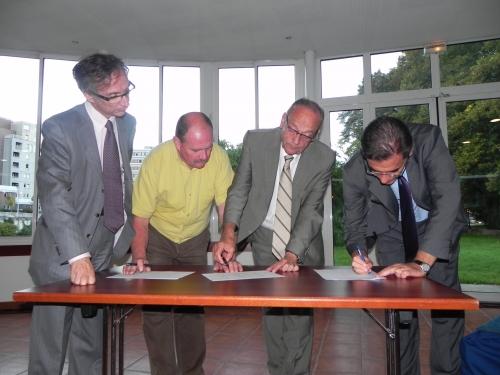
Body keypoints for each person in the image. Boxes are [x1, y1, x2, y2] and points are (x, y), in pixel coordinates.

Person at [28, 53, 136, 375]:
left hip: (104, 248)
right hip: (63, 255)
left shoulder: (127, 124)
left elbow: (117, 176)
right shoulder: (59, 127)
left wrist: (124, 234)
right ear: (88, 95)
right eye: (114, 96)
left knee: (90, 345)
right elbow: (54, 193)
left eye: (127, 89)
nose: (125, 102)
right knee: (50, 349)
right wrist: (78, 256)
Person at [213, 98, 336, 375]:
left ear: (316, 135)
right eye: (293, 130)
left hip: (300, 244)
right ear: (283, 120)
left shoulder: (324, 157)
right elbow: (239, 189)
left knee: (298, 317)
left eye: (307, 136)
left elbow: (311, 211)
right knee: (272, 313)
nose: (296, 141)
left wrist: (293, 255)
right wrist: (229, 233)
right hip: (265, 238)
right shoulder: (256, 142)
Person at [342, 116, 468, 375]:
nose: (385, 180)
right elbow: (354, 225)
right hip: (391, 232)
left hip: (435, 226)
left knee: (446, 308)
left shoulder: (429, 141)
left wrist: (421, 264)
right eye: (377, 172)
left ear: (408, 154)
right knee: (400, 315)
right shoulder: (354, 170)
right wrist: (359, 253)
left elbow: (447, 201)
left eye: (394, 172)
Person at [123, 112, 234, 375]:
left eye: (208, 147)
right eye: (196, 149)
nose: (204, 156)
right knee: (157, 311)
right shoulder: (156, 162)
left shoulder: (218, 158)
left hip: (195, 238)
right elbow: (140, 219)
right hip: (158, 237)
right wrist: (140, 256)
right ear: (177, 143)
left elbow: (227, 209)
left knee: (191, 310)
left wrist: (227, 240)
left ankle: (193, 372)